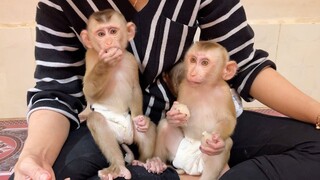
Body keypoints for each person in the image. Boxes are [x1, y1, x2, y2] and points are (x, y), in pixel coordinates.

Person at [11, 0, 320, 179]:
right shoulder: (61, 5)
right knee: (68, 173)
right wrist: (35, 156)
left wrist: (317, 112)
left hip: (185, 119)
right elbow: (56, 90)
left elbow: (244, 62)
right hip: (110, 125)